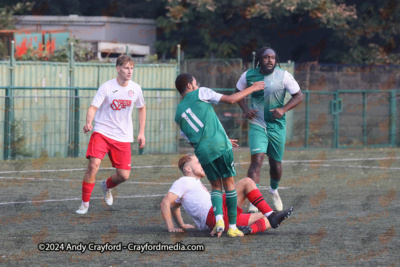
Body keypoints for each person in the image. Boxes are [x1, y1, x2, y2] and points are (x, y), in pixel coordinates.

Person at [174, 73, 265, 237]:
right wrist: (253, 87)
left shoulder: (178, 113)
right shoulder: (200, 92)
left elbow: (193, 139)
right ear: (189, 85)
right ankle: (232, 227)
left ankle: (219, 220)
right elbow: (231, 99)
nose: (197, 84)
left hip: (202, 152)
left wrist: (219, 139)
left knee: (216, 186)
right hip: (220, 146)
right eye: (195, 83)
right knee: (229, 184)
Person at [76, 55, 146, 215]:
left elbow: (142, 108)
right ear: (118, 68)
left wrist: (141, 132)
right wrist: (88, 122)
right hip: (102, 132)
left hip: (123, 137)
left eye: (132, 68)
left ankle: (106, 186)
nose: (130, 71)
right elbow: (93, 107)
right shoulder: (106, 87)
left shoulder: (136, 88)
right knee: (93, 165)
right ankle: (84, 204)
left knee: (123, 175)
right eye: (126, 68)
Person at [236, 47, 303, 212]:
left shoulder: (284, 76)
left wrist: (283, 109)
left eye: (273, 57)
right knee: (256, 161)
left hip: (277, 126)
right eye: (266, 57)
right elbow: (237, 92)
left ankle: (273, 190)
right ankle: (254, 199)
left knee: (275, 165)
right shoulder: (248, 75)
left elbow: (299, 95)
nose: (270, 60)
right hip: (257, 124)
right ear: (260, 59)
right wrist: (245, 109)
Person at [160, 154, 294, 235]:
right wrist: (171, 227)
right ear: (188, 169)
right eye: (198, 162)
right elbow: (166, 202)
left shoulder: (191, 183)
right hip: (213, 215)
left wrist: (182, 225)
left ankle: (247, 230)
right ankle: (271, 215)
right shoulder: (184, 180)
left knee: (266, 218)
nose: (202, 164)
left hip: (218, 219)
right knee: (247, 182)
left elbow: (175, 205)